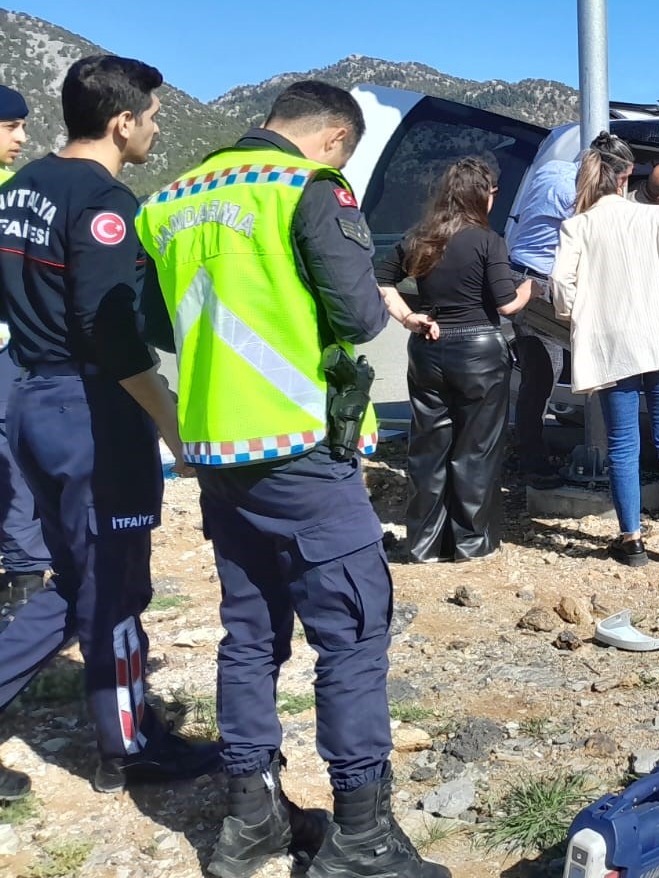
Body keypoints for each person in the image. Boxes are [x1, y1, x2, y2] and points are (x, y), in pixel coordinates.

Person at [136, 81, 446, 878]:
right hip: (302, 448)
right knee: (350, 634)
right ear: (336, 137)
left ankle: (252, 818)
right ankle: (362, 837)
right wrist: (374, 298)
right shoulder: (305, 189)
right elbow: (357, 319)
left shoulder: (171, 200)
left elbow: (148, 321)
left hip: (217, 453)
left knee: (249, 634)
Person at [0, 55, 219, 803]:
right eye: (153, 117)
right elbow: (113, 333)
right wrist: (172, 427)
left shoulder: (20, 187)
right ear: (122, 122)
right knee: (118, 584)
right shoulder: (103, 201)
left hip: (31, 398)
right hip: (87, 410)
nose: (157, 128)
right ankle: (129, 745)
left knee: (75, 580)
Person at [551, 133, 659, 568]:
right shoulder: (654, 218)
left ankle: (632, 539)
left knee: (623, 443)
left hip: (612, 343)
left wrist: (573, 313)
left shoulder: (577, 226)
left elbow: (560, 285)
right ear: (625, 177)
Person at [375, 158, 529, 563]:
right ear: (482, 195)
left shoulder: (419, 237)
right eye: (493, 193)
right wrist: (530, 286)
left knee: (429, 448)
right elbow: (508, 304)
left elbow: (381, 279)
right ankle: (470, 543)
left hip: (428, 347)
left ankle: (424, 544)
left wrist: (410, 318)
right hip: (479, 352)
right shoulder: (486, 240)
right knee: (475, 449)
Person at [0, 85, 50, 627]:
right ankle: (25, 568)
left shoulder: (15, 190)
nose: (21, 137)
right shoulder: (16, 197)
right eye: (11, 127)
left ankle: (26, 568)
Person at [503, 153, 578, 484]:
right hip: (538, 283)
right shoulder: (573, 190)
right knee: (544, 373)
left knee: (538, 372)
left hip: (520, 270)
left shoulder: (552, 168)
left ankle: (526, 450)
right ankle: (530, 460)